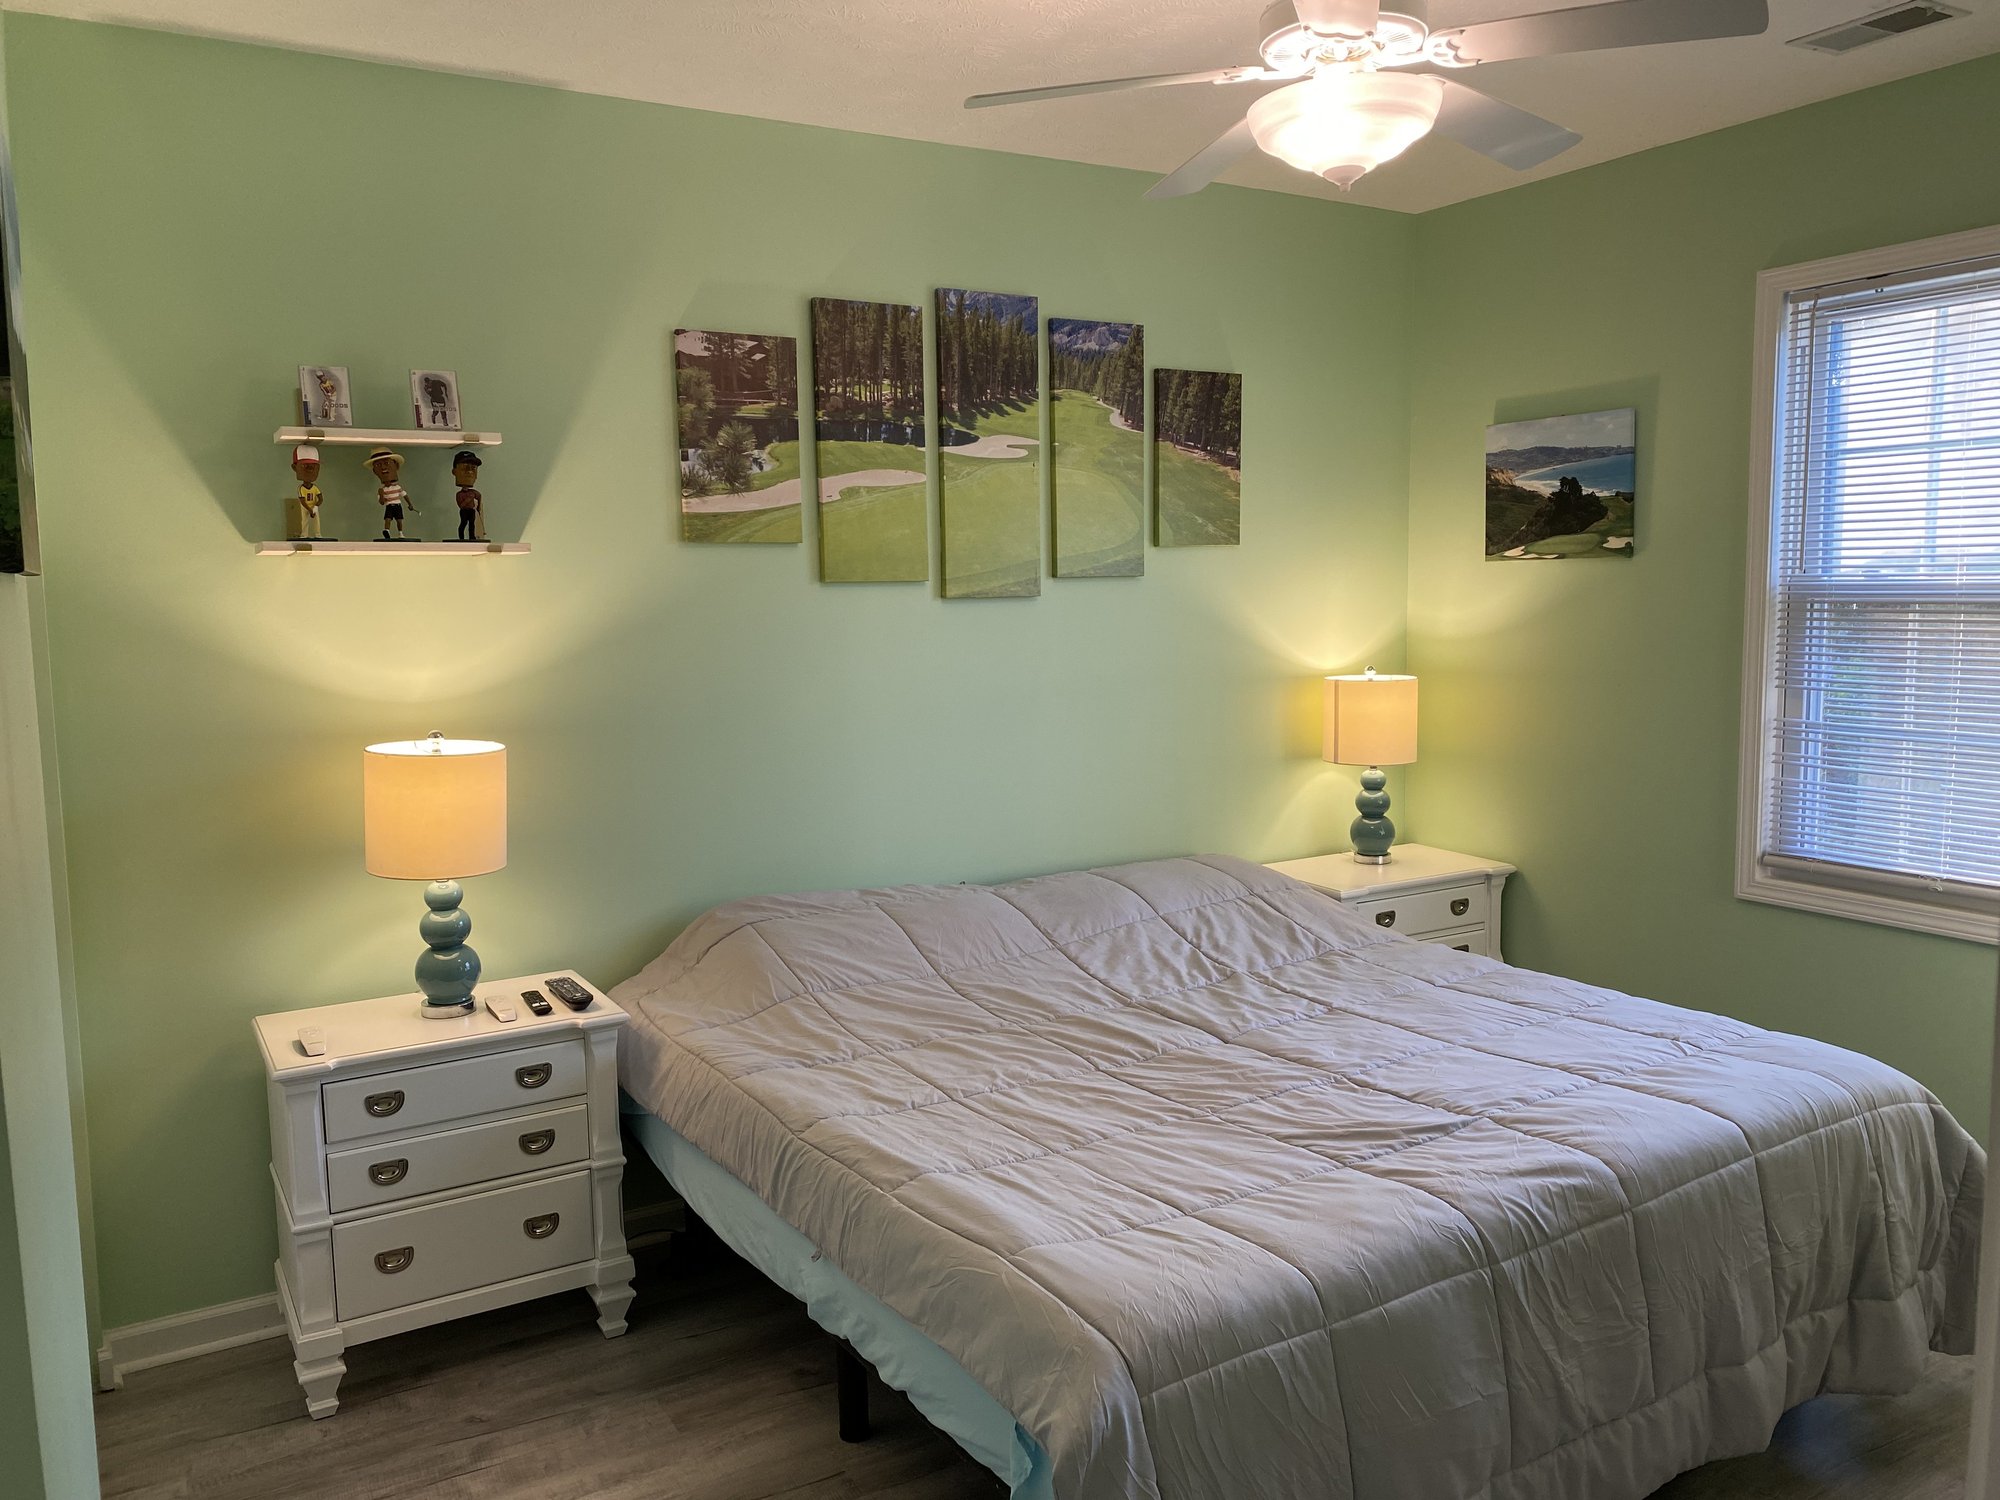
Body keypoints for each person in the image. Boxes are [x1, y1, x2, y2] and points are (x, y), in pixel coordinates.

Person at [364, 447, 415, 540]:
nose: (383, 468)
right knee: (387, 519)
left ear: (396, 465)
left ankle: (400, 533)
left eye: (386, 463)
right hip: (389, 506)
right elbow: (382, 502)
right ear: (375, 471)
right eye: (378, 465)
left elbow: (405, 495)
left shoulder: (397, 488)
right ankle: (386, 530)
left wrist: (410, 504)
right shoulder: (382, 490)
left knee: (399, 520)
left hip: (397, 506)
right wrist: (381, 494)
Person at [289, 443, 325, 539]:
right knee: (304, 521)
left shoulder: (315, 488)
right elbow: (302, 501)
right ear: (294, 468)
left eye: (313, 466)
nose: (310, 470)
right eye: (305, 466)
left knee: (317, 520)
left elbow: (320, 498)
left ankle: (318, 534)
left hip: (313, 506)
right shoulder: (301, 488)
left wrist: (316, 506)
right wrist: (310, 509)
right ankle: (304, 535)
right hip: (305, 507)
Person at [451, 449, 485, 541]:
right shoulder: (460, 494)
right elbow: (461, 505)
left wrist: (478, 508)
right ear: (454, 472)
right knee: (463, 524)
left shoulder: (473, 492)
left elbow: (479, 496)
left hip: (471, 511)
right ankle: (461, 538)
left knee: (472, 524)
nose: (469, 472)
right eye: (465, 468)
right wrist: (468, 499)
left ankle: (472, 537)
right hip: (465, 511)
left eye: (473, 468)